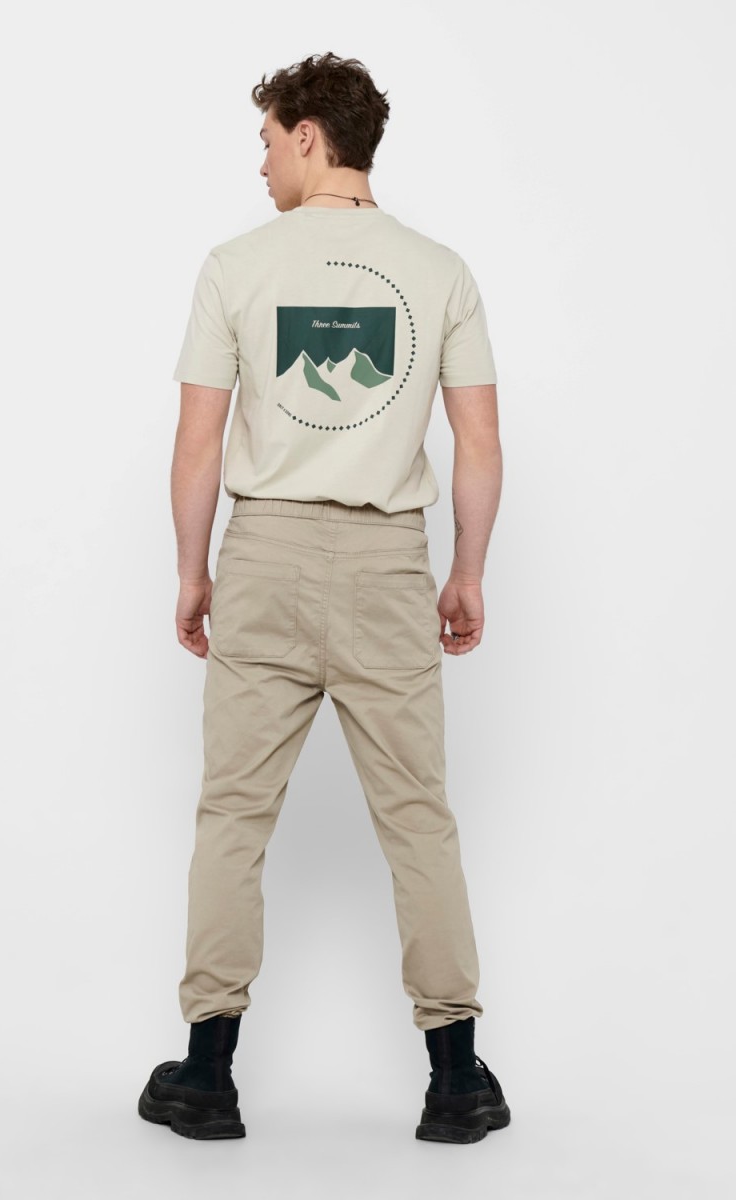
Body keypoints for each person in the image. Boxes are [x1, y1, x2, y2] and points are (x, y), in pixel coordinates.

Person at [138, 51, 510, 1144]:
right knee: (419, 819)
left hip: (265, 561)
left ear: (309, 135)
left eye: (267, 142)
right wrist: (467, 571)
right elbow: (480, 441)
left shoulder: (236, 266)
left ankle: (207, 1075)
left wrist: (193, 573)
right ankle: (458, 1081)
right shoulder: (439, 271)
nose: (259, 165)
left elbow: (197, 445)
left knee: (233, 816)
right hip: (392, 566)